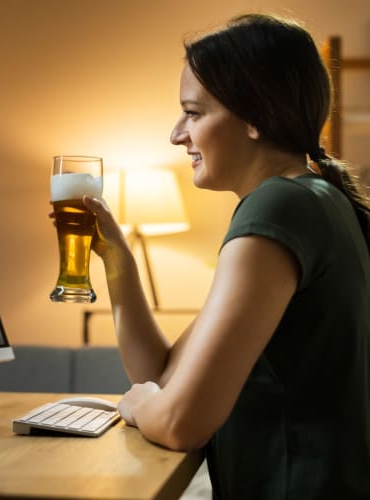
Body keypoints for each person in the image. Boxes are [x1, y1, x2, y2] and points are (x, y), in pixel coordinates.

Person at [74, 14, 369, 499]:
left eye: (193, 113)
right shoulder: (310, 199)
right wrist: (117, 260)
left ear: (256, 116)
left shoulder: (279, 208)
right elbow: (162, 374)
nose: (176, 134)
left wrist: (140, 404)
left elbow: (178, 422)